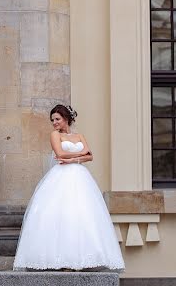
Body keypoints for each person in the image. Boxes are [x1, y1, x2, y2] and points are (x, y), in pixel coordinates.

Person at [13, 104, 124, 271]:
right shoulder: (55, 135)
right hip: (61, 176)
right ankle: (59, 260)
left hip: (80, 176)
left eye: (57, 119)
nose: (54, 123)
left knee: (81, 213)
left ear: (66, 118)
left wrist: (73, 160)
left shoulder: (79, 135)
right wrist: (80, 155)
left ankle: (79, 260)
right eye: (52, 120)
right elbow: (60, 154)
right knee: (60, 212)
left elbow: (91, 155)